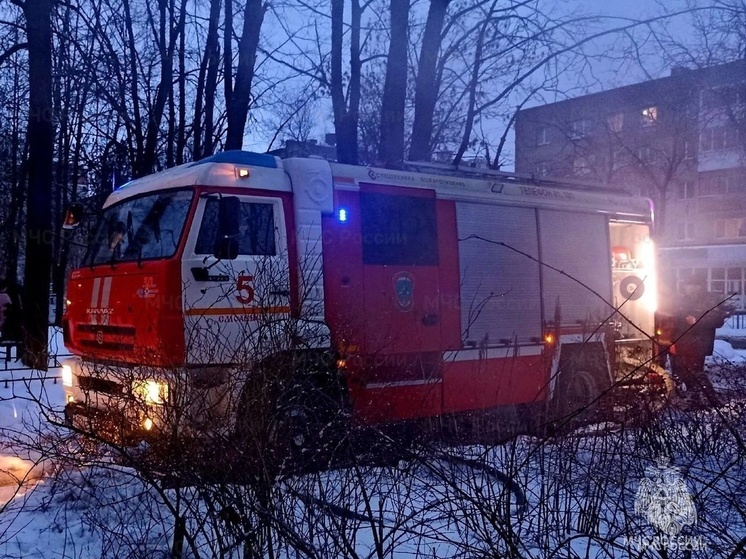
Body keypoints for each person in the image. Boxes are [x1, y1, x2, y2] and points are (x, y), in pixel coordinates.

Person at [663, 276, 728, 407]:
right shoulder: (683, 300)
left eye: (691, 285)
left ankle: (713, 400)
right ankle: (695, 398)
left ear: (698, 286)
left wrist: (697, 320)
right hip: (682, 343)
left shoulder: (708, 300)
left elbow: (717, 320)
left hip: (698, 343)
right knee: (681, 372)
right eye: (687, 285)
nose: (687, 288)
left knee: (695, 371)